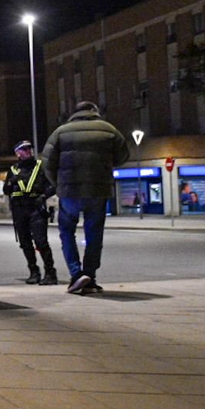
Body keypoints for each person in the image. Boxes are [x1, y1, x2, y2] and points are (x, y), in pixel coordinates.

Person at [41, 100, 129, 295]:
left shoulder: (60, 132)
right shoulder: (109, 129)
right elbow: (123, 156)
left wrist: (58, 184)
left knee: (67, 232)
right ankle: (90, 277)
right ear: (94, 111)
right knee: (94, 234)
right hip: (98, 190)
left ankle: (76, 274)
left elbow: (47, 163)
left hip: (69, 192)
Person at [1, 140, 57, 285]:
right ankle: (33, 271)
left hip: (36, 208)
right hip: (19, 209)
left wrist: (43, 196)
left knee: (41, 242)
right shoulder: (13, 170)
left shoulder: (40, 167)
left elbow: (53, 185)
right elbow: (6, 190)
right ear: (17, 153)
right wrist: (10, 183)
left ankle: (50, 273)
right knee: (25, 243)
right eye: (24, 149)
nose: (28, 151)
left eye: (29, 148)